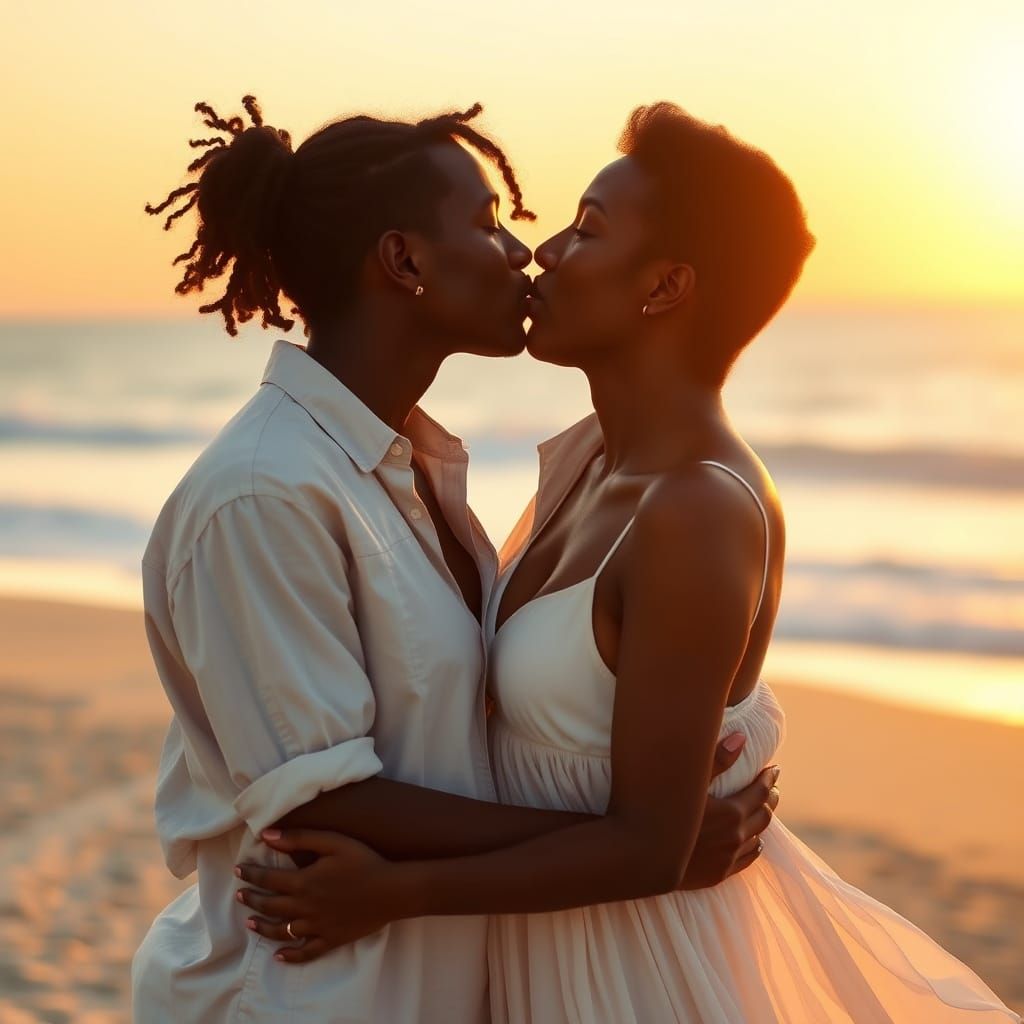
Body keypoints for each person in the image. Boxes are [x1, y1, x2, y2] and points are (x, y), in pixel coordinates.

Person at [236, 103, 1020, 1023]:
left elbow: (651, 849)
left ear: (665, 287)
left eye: (587, 228)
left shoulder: (697, 510)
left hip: (641, 973)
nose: (544, 252)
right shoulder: (589, 462)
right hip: (548, 958)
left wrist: (393, 893)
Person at [132, 96, 778, 1024]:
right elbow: (318, 799)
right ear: (405, 262)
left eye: (576, 228)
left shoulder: (408, 468)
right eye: (487, 223)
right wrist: (645, 846)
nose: (525, 252)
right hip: (303, 993)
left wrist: (646, 838)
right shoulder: (263, 492)